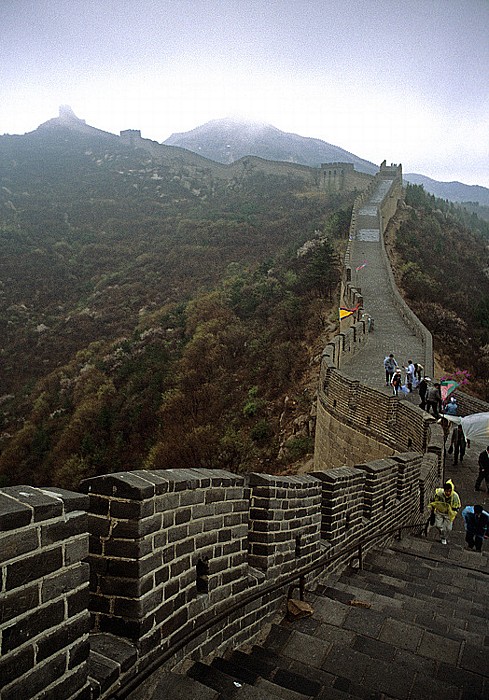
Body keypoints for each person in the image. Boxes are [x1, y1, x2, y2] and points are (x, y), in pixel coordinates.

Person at [429, 479, 461, 545]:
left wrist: (453, 512)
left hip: (448, 514)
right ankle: (443, 536)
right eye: (446, 491)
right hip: (439, 512)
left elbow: (457, 507)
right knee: (438, 525)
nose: (448, 493)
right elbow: (435, 501)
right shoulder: (439, 494)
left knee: (448, 529)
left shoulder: (455, 497)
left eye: (449, 491)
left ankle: (444, 537)